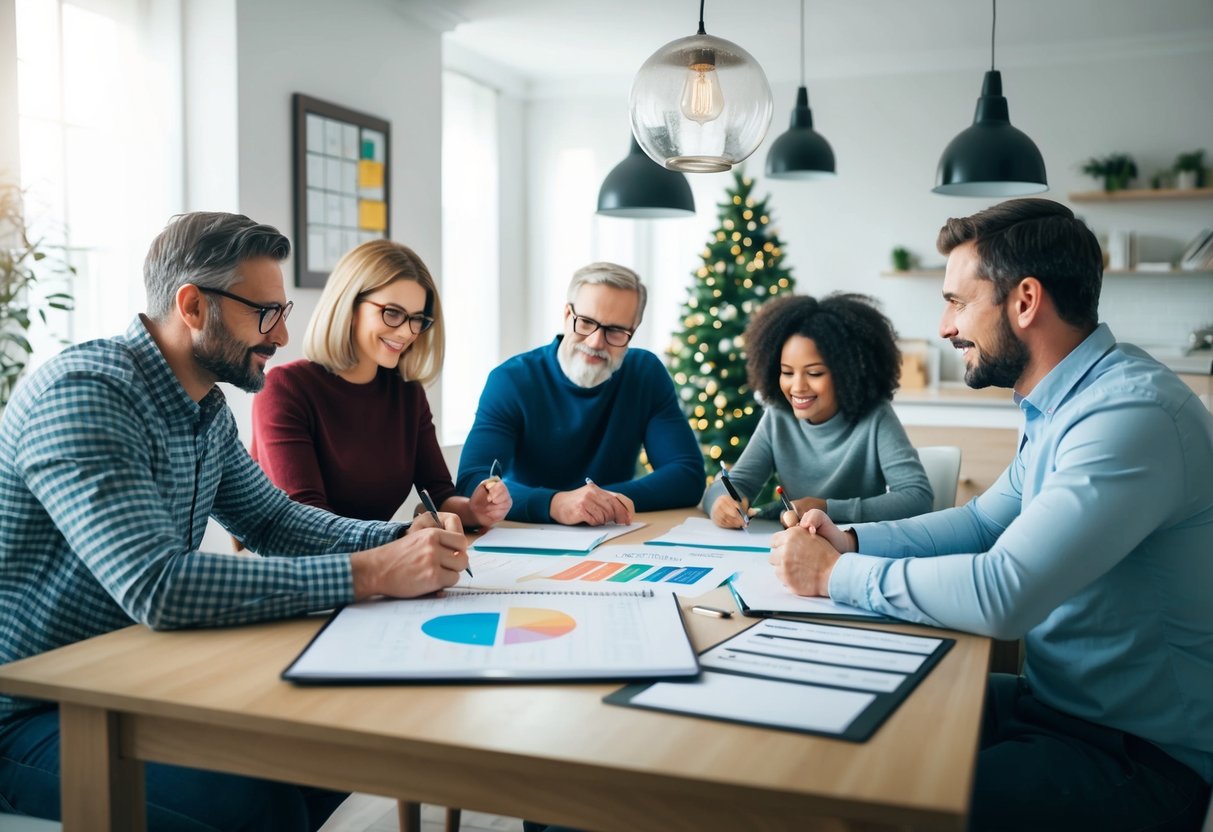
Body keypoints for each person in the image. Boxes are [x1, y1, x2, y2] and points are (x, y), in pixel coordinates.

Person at [0, 212, 469, 831]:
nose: (281, 335)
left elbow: (273, 520)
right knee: (259, 807)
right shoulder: (86, 392)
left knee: (336, 751)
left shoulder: (204, 406)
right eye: (264, 313)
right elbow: (158, 587)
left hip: (132, 677)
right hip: (34, 709)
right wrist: (372, 571)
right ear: (193, 305)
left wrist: (399, 537)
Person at [770, 198, 1213, 831]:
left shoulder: (1129, 417)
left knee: (867, 803)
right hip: (1057, 707)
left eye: (958, 301)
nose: (945, 326)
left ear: (1025, 301)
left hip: (1137, 758)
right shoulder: (1066, 402)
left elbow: (1002, 592)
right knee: (839, 728)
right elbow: (982, 523)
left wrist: (830, 576)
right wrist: (851, 540)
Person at [251, 239, 510, 529]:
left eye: (417, 319)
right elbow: (309, 522)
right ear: (349, 307)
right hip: (306, 570)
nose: (406, 332)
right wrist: (403, 534)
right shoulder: (285, 388)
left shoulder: (407, 394)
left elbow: (439, 494)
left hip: (379, 563)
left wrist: (474, 509)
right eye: (392, 312)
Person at [455, 262, 704, 525]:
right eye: (585, 322)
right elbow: (474, 480)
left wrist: (600, 501)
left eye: (616, 330)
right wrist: (556, 504)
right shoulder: (511, 380)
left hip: (615, 533)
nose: (596, 342)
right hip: (526, 531)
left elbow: (687, 475)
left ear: (633, 331)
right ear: (567, 315)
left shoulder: (646, 374)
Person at [701, 292, 932, 527]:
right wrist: (719, 502)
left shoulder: (876, 417)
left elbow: (918, 498)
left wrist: (826, 508)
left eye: (814, 373)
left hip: (857, 550)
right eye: (787, 372)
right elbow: (735, 484)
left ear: (846, 373)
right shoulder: (778, 416)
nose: (798, 387)